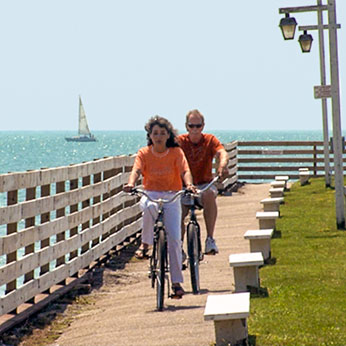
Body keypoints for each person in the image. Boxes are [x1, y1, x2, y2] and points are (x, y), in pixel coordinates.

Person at [123, 115, 196, 299]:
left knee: (174, 239)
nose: (159, 137)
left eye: (162, 133)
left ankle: (177, 283)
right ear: (150, 135)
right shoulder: (144, 152)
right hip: (152, 193)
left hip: (172, 194)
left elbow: (185, 170)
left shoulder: (176, 152)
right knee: (147, 207)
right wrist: (131, 184)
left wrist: (189, 185)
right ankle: (145, 243)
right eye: (155, 133)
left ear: (168, 135)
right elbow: (136, 170)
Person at [177, 109, 229, 255]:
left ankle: (210, 239)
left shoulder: (209, 140)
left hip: (204, 184)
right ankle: (178, 248)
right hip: (183, 186)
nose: (194, 129)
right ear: (186, 126)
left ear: (203, 126)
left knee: (209, 195)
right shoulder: (180, 141)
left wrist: (222, 165)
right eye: (191, 126)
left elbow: (222, 152)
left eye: (198, 126)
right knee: (177, 211)